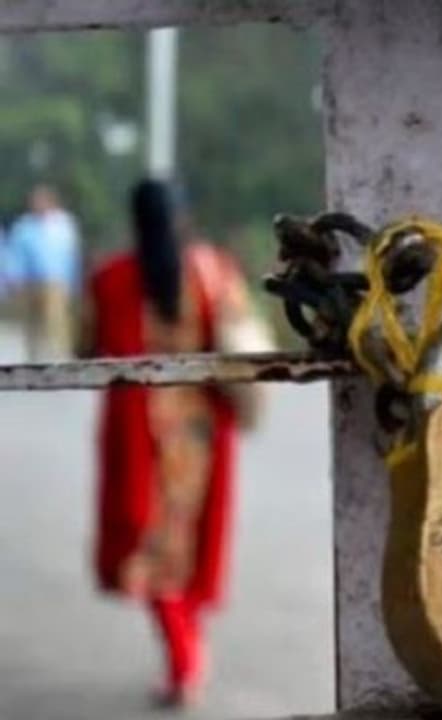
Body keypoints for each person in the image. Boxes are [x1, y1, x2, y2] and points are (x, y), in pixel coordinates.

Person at [83, 180, 267, 707]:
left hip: (141, 435)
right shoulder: (213, 270)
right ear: (182, 216)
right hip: (200, 431)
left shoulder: (111, 277)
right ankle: (189, 650)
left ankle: (185, 660)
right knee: (187, 542)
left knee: (153, 547)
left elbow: (86, 344)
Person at [5, 184, 80, 361]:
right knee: (32, 323)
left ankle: (60, 356)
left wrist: (73, 282)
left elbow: (71, 255)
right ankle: (34, 357)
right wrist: (13, 278)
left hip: (55, 281)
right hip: (30, 281)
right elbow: (15, 255)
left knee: (56, 321)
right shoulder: (24, 227)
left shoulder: (62, 225)